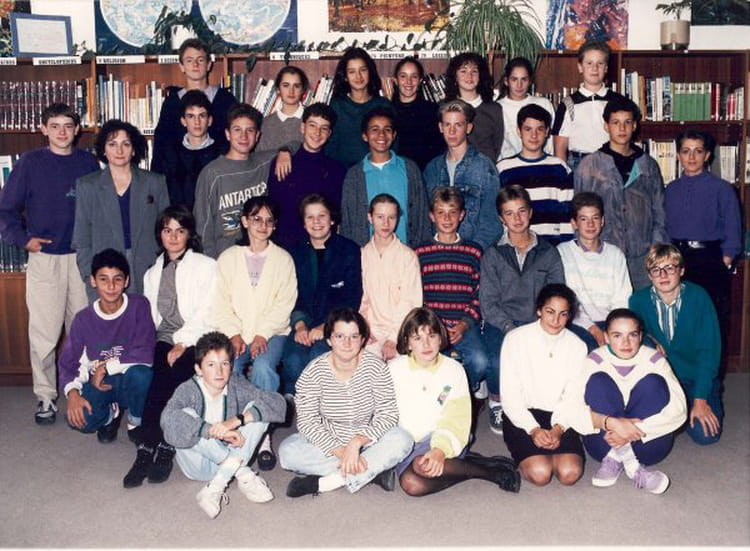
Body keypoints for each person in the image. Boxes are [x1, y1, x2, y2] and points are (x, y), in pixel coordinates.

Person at [0, 102, 99, 424]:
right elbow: (5, 211)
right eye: (54, 126)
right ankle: (45, 396)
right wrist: (23, 239)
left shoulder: (88, 163)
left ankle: (81, 389)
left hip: (81, 258)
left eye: (68, 126)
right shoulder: (30, 163)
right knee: (44, 332)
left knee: (83, 329)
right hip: (45, 259)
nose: (62, 132)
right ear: (43, 129)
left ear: (77, 129)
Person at [122, 206, 217, 488]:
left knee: (174, 375)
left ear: (189, 234)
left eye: (180, 230)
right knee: (157, 377)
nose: (173, 237)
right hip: (164, 337)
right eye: (167, 230)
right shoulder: (152, 273)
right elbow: (152, 318)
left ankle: (164, 445)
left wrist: (183, 341)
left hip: (197, 337)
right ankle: (145, 450)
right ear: (160, 235)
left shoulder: (206, 266)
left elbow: (208, 311)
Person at [278, 308, 413, 497]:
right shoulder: (313, 372)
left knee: (403, 439)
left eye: (354, 336)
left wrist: (357, 443)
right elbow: (307, 422)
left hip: (368, 441)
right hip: (329, 443)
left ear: (363, 339)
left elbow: (387, 413)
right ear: (329, 340)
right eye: (340, 336)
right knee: (287, 452)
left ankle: (327, 482)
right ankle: (372, 471)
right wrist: (342, 452)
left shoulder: (376, 367)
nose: (347, 343)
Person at [390, 307, 521, 496]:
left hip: (445, 434)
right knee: (413, 484)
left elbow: (457, 417)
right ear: (407, 343)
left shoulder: (453, 370)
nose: (426, 344)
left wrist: (440, 449)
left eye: (432, 336)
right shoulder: (394, 369)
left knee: (415, 477)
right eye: (417, 338)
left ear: (440, 338)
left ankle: (492, 474)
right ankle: (475, 468)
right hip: (407, 441)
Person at [161, 331, 287, 519]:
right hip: (199, 467)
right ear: (198, 369)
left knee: (258, 409)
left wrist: (236, 421)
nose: (219, 372)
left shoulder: (235, 384)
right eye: (211, 365)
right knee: (184, 415)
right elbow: (167, 420)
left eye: (225, 364)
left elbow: (277, 403)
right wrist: (210, 431)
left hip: (233, 455)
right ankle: (242, 473)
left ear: (231, 365)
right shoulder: (188, 389)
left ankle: (217, 484)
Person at [562, 309, 687, 494]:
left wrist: (633, 430)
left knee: (653, 383)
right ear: (606, 337)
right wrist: (612, 424)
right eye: (617, 335)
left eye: (632, 335)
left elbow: (680, 408)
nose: (626, 343)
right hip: (603, 444)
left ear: (641, 336)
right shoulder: (594, 359)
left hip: (648, 444)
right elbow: (571, 408)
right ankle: (634, 468)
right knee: (598, 381)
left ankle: (618, 459)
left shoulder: (655, 359)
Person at [213, 196, 297, 469]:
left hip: (272, 332)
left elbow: (285, 303)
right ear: (244, 221)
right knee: (230, 369)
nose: (262, 225)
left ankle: (262, 436)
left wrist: (262, 333)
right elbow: (220, 301)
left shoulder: (283, 259)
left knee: (263, 367)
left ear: (275, 225)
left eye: (269, 220)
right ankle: (233, 429)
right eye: (256, 219)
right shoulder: (228, 258)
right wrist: (234, 333)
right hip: (236, 332)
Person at [480, 185, 565, 435]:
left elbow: (556, 294)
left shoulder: (548, 252)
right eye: (509, 213)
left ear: (530, 213)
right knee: (496, 359)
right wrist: (509, 328)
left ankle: (536, 402)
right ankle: (496, 400)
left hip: (538, 322)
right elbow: (488, 303)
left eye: (521, 211)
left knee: (545, 358)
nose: (516, 219)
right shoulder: (493, 254)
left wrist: (539, 326)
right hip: (501, 323)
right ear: (501, 218)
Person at [59, 248, 155, 445]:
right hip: (99, 383)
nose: (111, 286)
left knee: (142, 375)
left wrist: (106, 367)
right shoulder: (83, 319)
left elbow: (145, 352)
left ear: (126, 281)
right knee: (80, 420)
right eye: (103, 279)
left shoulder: (139, 306)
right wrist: (73, 393)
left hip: (129, 379)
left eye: (117, 279)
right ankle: (111, 414)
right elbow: (69, 362)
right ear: (93, 281)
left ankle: (135, 420)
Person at [629, 244, 723, 445]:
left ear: (681, 270)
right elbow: (635, 336)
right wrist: (650, 340)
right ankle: (674, 414)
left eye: (669, 268)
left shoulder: (699, 298)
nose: (663, 275)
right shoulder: (637, 301)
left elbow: (709, 352)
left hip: (694, 378)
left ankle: (683, 411)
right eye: (656, 270)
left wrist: (700, 399)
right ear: (649, 275)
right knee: (648, 433)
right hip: (662, 380)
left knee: (706, 435)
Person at [574, 96, 669, 291]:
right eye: (616, 123)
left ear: (634, 126)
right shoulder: (589, 166)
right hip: (603, 255)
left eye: (627, 122)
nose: (622, 128)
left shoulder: (648, 165)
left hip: (642, 256)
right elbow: (579, 214)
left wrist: (657, 247)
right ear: (606, 126)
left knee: (642, 306)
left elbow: (660, 212)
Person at [499, 284, 588, 487]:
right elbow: (510, 395)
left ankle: (552, 453)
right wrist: (533, 429)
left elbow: (574, 395)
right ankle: (537, 456)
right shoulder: (515, 339)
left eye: (563, 314)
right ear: (539, 310)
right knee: (540, 474)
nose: (556, 320)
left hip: (561, 415)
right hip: (523, 414)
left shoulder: (577, 346)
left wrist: (558, 429)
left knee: (570, 473)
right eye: (550, 312)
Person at [73, 119, 169, 300]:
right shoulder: (88, 186)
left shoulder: (154, 182)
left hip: (148, 267)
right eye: (112, 144)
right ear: (103, 149)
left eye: (125, 144)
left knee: (146, 316)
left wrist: (164, 267)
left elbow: (166, 229)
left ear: (133, 149)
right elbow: (81, 238)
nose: (119, 150)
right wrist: (90, 274)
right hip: (106, 272)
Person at [281, 194, 363, 396]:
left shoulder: (349, 250)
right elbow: (290, 294)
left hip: (336, 324)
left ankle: (323, 404)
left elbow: (352, 297)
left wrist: (326, 326)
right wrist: (300, 324)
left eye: (322, 216)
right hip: (303, 322)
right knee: (293, 360)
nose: (316, 222)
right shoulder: (294, 253)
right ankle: (296, 403)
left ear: (332, 219)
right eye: (310, 217)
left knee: (319, 357)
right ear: (303, 222)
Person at [664, 129, 742, 332]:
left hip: (710, 259)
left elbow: (733, 228)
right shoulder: (670, 189)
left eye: (698, 151)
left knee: (710, 321)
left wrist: (725, 260)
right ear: (678, 155)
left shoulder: (722, 189)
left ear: (707, 155)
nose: (691, 157)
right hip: (677, 259)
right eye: (686, 151)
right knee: (680, 319)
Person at [414, 187, 488, 395]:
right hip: (432, 326)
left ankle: (455, 394)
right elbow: (416, 295)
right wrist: (436, 326)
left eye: (452, 212)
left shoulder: (473, 252)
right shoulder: (420, 252)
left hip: (464, 325)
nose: (447, 219)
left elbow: (479, 294)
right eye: (441, 212)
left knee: (480, 362)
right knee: (431, 366)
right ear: (432, 216)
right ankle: (443, 398)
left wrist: (464, 324)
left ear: (461, 215)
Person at [193, 103, 287, 258]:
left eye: (249, 130)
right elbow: (202, 229)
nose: (244, 136)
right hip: (224, 259)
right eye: (237, 130)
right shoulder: (212, 174)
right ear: (227, 134)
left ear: (257, 136)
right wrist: (211, 265)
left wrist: (286, 151)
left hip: (260, 255)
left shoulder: (265, 163)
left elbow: (299, 146)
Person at [340, 106, 430, 248]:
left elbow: (422, 215)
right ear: (365, 136)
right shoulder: (354, 175)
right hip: (368, 255)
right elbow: (347, 223)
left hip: (406, 253)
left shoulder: (409, 169)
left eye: (387, 129)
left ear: (393, 135)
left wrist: (420, 251)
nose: (381, 135)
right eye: (375, 129)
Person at [423, 100, 502, 250]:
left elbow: (492, 223)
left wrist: (472, 251)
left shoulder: (484, 167)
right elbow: (426, 219)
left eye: (458, 125)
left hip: (473, 254)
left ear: (468, 128)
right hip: (438, 253)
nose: (452, 131)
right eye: (447, 125)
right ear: (440, 127)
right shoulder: (432, 169)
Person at [557, 192, 632, 351]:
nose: (590, 224)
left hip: (611, 322)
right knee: (590, 350)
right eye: (584, 219)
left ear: (602, 221)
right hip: (577, 323)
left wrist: (613, 329)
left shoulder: (615, 254)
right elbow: (567, 301)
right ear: (574, 223)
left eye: (595, 218)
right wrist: (592, 328)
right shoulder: (563, 253)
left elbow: (622, 299)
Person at [267, 103, 346, 249]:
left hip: (321, 245)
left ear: (329, 134)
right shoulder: (283, 163)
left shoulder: (336, 170)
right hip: (286, 245)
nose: (317, 133)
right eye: (312, 125)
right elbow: (274, 209)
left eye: (324, 128)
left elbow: (335, 215)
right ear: (303, 128)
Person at [152, 38, 236, 173]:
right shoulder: (172, 103)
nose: (195, 65)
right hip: (179, 175)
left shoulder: (225, 100)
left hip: (218, 173)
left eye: (200, 60)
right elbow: (161, 145)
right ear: (181, 66)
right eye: (189, 60)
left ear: (209, 65)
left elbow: (234, 141)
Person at [497, 104, 574, 245]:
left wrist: (565, 248)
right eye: (528, 129)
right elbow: (499, 214)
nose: (534, 135)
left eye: (540, 129)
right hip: (515, 246)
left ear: (547, 132)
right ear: (518, 131)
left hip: (552, 246)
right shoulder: (503, 169)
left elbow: (567, 215)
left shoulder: (560, 167)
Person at [360, 194, 423, 361]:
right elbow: (361, 300)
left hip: (402, 331)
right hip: (371, 334)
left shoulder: (407, 256)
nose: (386, 223)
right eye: (380, 217)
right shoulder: (362, 255)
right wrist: (364, 328)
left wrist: (394, 338)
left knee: (399, 371)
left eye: (391, 217)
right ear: (370, 217)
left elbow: (410, 302)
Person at [551, 41, 627, 170]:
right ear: (580, 67)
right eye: (589, 63)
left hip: (611, 162)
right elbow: (560, 149)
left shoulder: (617, 101)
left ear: (606, 68)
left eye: (600, 63)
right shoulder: (568, 104)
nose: (595, 68)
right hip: (579, 164)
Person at [325, 47, 392, 168]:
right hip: (344, 172)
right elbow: (330, 148)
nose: (358, 76)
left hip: (378, 170)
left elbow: (393, 145)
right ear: (345, 76)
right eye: (352, 72)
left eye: (363, 70)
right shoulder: (337, 106)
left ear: (370, 72)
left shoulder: (384, 105)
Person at [160, 90, 222, 210]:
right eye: (191, 116)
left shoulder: (221, 153)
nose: (197, 122)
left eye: (202, 116)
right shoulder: (171, 154)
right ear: (183, 121)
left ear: (209, 120)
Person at [444, 52, 504, 163]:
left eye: (474, 71)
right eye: (463, 71)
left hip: (485, 169)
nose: (469, 76)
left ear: (481, 76)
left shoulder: (494, 109)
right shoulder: (444, 108)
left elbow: (497, 145)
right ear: (455, 76)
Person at [389, 56, 444, 170]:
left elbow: (439, 151)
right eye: (403, 76)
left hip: (425, 172)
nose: (408, 82)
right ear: (395, 80)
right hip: (394, 172)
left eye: (414, 76)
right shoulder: (387, 111)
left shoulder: (432, 111)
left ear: (420, 81)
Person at [498, 57, 555, 160]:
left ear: (530, 81)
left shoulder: (543, 104)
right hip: (508, 164)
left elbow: (551, 142)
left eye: (524, 79)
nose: (519, 85)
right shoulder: (498, 108)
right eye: (514, 79)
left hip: (541, 162)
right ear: (506, 81)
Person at [256, 66, 309, 152]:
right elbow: (259, 156)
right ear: (278, 89)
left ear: (303, 90)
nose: (291, 91)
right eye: (286, 85)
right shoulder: (265, 124)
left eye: (296, 86)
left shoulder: (312, 121)